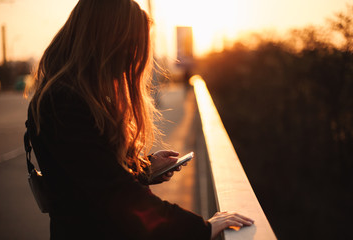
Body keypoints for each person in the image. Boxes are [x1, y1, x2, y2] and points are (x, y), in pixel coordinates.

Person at [26, 0, 254, 239]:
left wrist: (144, 168)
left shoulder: (74, 96)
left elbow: (93, 174)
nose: (133, 60)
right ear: (108, 43)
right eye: (131, 47)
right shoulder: (63, 103)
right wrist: (201, 228)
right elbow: (114, 195)